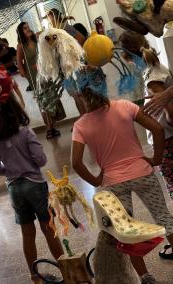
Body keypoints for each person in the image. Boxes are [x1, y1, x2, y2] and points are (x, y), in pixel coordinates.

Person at [71, 67, 173, 284]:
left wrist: (96, 180)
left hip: (113, 183)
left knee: (128, 230)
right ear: (104, 84)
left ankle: (145, 277)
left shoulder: (80, 125)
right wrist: (155, 159)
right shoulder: (125, 106)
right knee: (165, 218)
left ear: (80, 93)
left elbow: (76, 162)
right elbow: (158, 129)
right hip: (143, 173)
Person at [0, 93, 63, 284]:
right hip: (35, 185)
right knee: (48, 228)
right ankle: (66, 269)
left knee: (27, 234)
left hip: (14, 189)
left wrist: (12, 169)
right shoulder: (26, 132)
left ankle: (34, 277)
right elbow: (41, 160)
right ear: (16, 109)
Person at [119, 31, 173, 203]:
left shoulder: (152, 79)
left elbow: (170, 113)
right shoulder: (155, 68)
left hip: (167, 141)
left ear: (127, 57)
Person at [17, 22, 62, 139]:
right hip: (33, 76)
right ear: (21, 32)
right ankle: (48, 128)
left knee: (51, 99)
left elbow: (48, 39)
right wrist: (25, 74)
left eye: (28, 27)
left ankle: (54, 126)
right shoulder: (21, 46)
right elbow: (19, 63)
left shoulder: (37, 39)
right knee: (42, 102)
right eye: (25, 28)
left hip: (45, 73)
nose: (28, 29)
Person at [46, 8, 87, 117]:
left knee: (81, 93)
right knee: (75, 95)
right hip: (64, 68)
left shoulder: (65, 27)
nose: (48, 20)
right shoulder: (53, 31)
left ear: (55, 16)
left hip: (74, 66)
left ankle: (89, 118)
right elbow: (51, 48)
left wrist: (74, 53)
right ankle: (83, 118)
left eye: (49, 17)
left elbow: (82, 39)